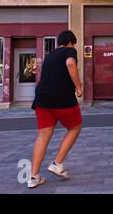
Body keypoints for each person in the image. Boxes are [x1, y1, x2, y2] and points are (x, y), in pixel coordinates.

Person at [27, 30, 83, 188]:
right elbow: (70, 63)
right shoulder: (70, 50)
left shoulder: (49, 56)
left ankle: (33, 177)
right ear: (71, 42)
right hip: (62, 98)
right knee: (75, 127)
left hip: (42, 98)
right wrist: (78, 87)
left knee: (43, 135)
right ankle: (57, 163)